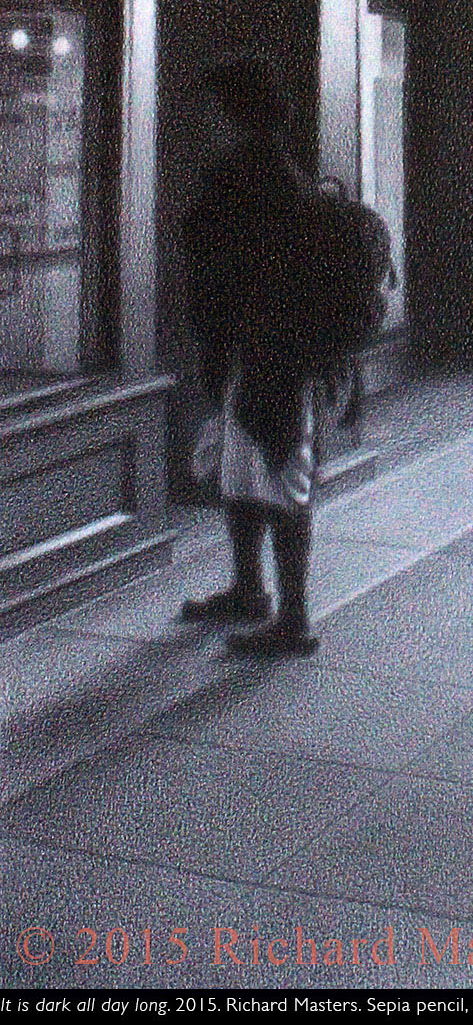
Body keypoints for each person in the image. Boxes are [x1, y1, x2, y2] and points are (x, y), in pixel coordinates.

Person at [179, 56, 337, 657]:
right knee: (243, 469)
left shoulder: (250, 176)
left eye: (212, 109)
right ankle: (250, 591)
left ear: (233, 113)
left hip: (271, 353)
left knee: (277, 472)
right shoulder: (272, 170)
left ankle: (293, 617)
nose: (204, 121)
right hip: (262, 351)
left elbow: (231, 266)